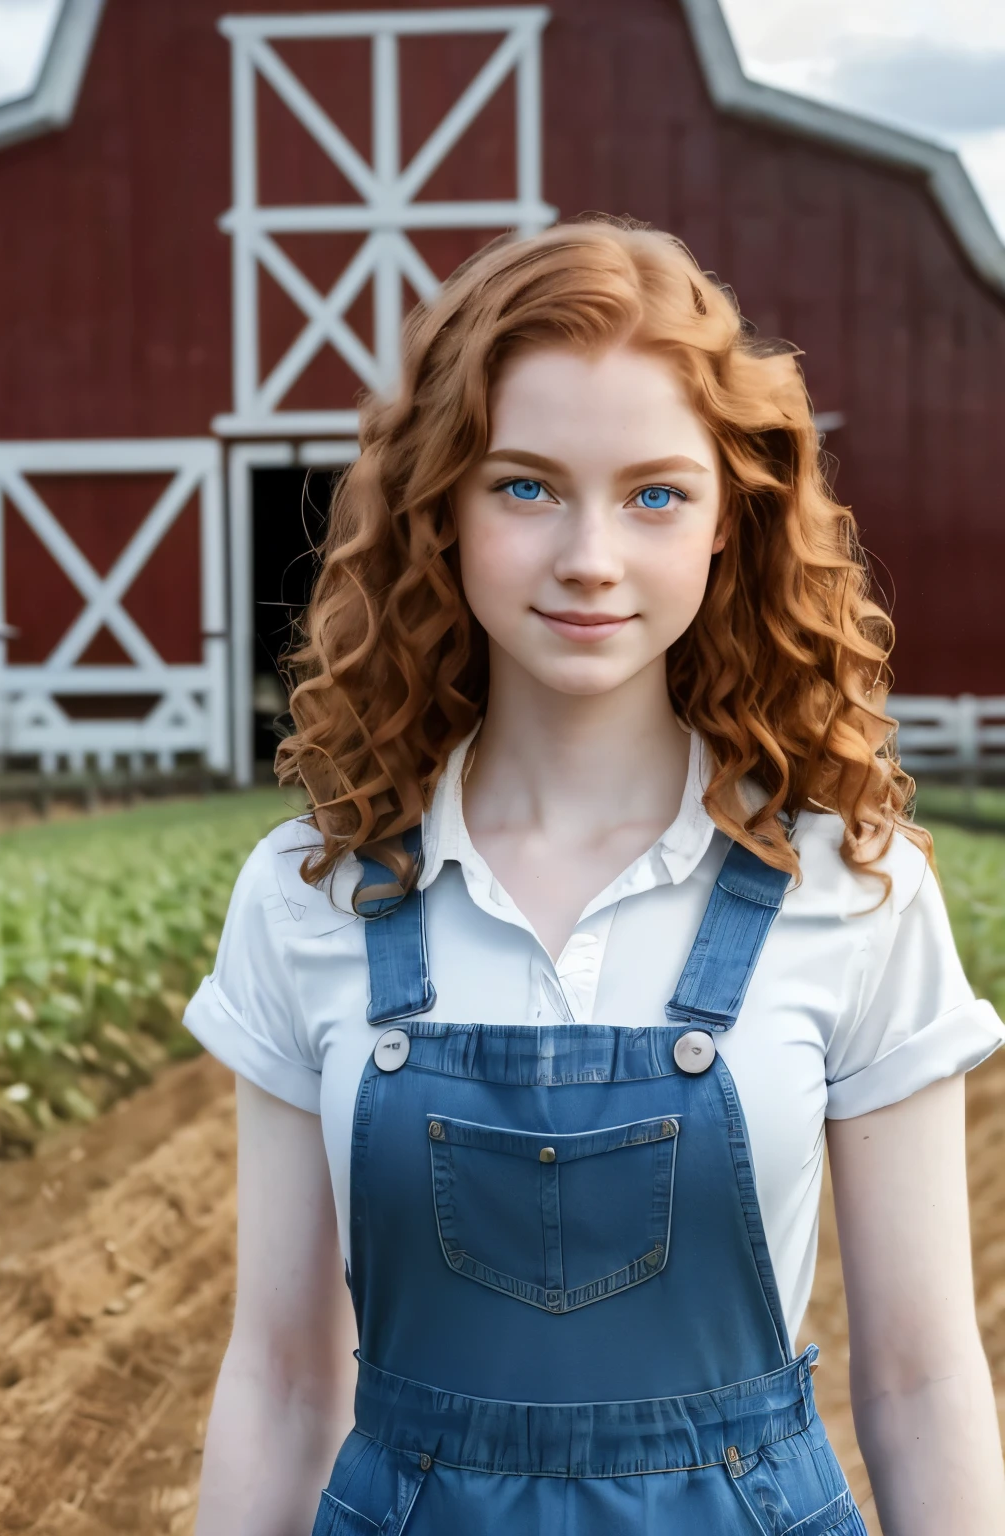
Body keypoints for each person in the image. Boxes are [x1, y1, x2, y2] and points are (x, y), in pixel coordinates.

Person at [187, 218, 1005, 1535]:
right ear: (438, 508)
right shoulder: (310, 892)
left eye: (654, 494)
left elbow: (917, 1380)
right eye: (523, 486)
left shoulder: (851, 888)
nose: (589, 556)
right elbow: (282, 1384)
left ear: (731, 525)